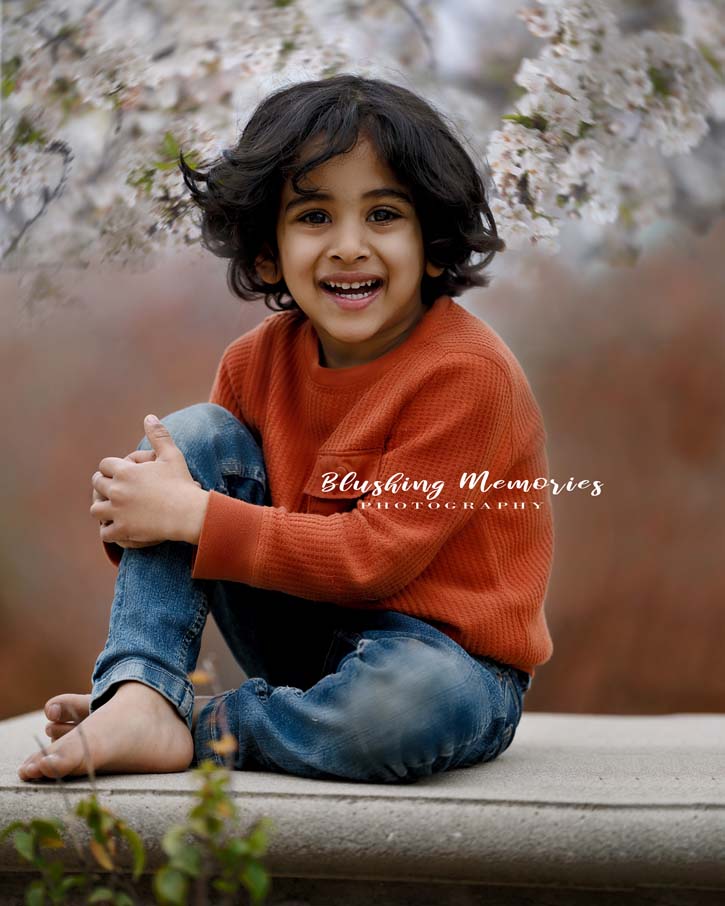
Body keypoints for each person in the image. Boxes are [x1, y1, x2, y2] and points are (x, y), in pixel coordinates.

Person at [18, 73, 554, 785]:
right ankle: (141, 690)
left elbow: (372, 559)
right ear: (267, 249)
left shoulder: (466, 373)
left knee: (401, 706)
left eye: (384, 214)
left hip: (447, 664)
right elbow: (195, 536)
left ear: (432, 242)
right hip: (298, 633)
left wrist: (193, 515)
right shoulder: (255, 362)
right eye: (313, 217)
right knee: (193, 439)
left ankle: (200, 726)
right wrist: (138, 513)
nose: (348, 246)